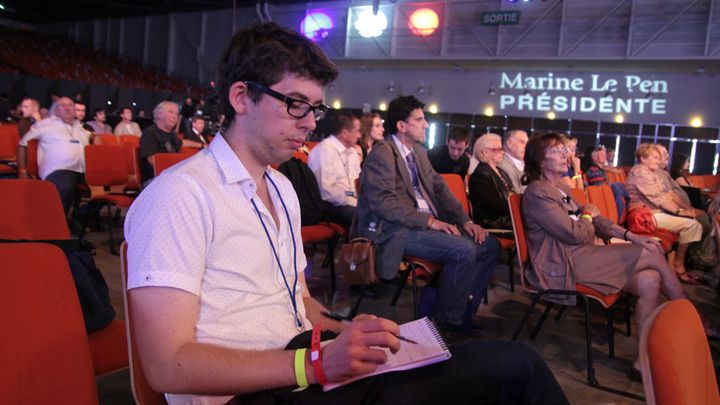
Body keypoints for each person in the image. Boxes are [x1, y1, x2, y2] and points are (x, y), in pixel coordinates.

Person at [125, 23, 568, 405]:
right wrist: (318, 363)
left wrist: (348, 327)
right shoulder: (180, 195)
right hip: (251, 391)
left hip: (301, 365)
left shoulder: (280, 185)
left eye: (314, 109)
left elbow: (299, 305)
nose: (309, 122)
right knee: (516, 370)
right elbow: (169, 366)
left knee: (508, 364)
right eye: (296, 104)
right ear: (241, 96)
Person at [521, 133, 694, 378]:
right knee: (651, 251)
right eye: (556, 151)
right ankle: (691, 318)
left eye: (564, 150)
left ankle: (641, 360)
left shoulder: (558, 187)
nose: (565, 155)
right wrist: (588, 216)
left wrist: (630, 236)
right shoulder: (538, 192)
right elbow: (575, 233)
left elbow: (596, 220)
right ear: (540, 161)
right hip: (561, 265)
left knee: (650, 280)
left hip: (581, 255)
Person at [356, 95, 501, 339]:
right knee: (463, 250)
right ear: (402, 126)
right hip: (394, 230)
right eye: (420, 120)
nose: (425, 125)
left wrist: (466, 221)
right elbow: (383, 204)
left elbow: (441, 190)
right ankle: (445, 324)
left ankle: (462, 310)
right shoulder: (382, 154)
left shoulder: (419, 153)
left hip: (421, 226)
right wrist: (431, 222)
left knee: (488, 245)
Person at [625, 143, 704, 283]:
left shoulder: (650, 172)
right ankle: (679, 265)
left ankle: (673, 266)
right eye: (655, 157)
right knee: (692, 225)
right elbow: (660, 199)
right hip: (643, 217)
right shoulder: (640, 172)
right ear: (643, 158)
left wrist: (686, 210)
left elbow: (667, 195)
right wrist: (681, 212)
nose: (659, 160)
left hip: (652, 214)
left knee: (694, 223)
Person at [16, 97, 91, 217]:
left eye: (70, 105)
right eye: (63, 105)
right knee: (66, 186)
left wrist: (94, 138)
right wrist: (22, 170)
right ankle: (55, 223)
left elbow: (92, 141)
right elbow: (23, 144)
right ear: (56, 110)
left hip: (83, 170)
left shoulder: (81, 128)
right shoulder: (46, 125)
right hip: (58, 169)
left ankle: (79, 217)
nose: (67, 108)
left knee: (110, 186)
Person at [307, 112, 361, 227]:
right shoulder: (324, 150)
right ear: (345, 133)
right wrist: (351, 200)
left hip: (350, 202)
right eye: (357, 131)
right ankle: (359, 244)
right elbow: (326, 192)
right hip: (330, 205)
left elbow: (357, 184)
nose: (359, 135)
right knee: (365, 218)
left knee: (379, 214)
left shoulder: (352, 152)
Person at [468, 133, 514, 230]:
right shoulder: (480, 175)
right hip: (492, 221)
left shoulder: (501, 172)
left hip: (506, 216)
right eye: (497, 149)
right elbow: (495, 205)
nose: (502, 152)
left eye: (502, 149)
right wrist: (520, 207)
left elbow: (511, 194)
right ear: (485, 152)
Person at [138, 101, 181, 186]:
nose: (174, 116)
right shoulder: (150, 133)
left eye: (176, 114)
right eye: (170, 112)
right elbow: (152, 160)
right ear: (159, 114)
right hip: (154, 179)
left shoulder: (173, 136)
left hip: (172, 177)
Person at [498, 129, 528, 193]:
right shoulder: (501, 163)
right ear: (509, 144)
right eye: (522, 142)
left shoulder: (528, 163)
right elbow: (516, 192)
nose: (525, 146)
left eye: (527, 143)